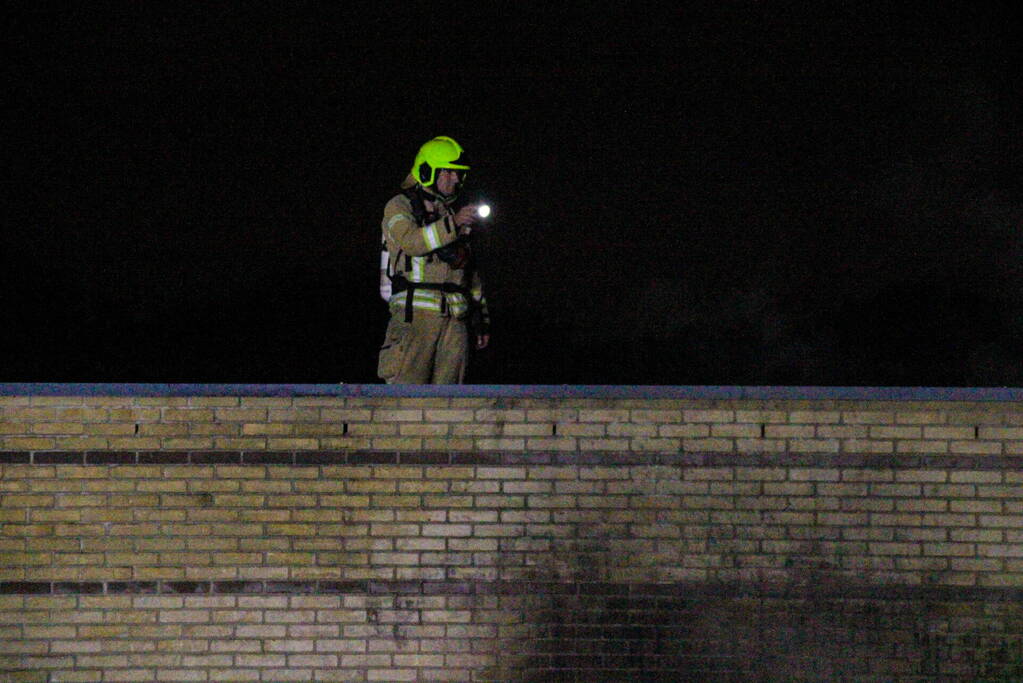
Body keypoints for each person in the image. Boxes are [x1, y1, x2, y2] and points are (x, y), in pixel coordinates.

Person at [377, 136, 490, 384]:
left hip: (455, 323)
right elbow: (411, 241)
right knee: (407, 402)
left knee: (451, 404)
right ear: (428, 170)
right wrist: (454, 223)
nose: (456, 179)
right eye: (449, 172)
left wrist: (480, 320)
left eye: (459, 174)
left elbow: (469, 272)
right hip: (415, 319)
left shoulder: (452, 214)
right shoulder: (398, 206)